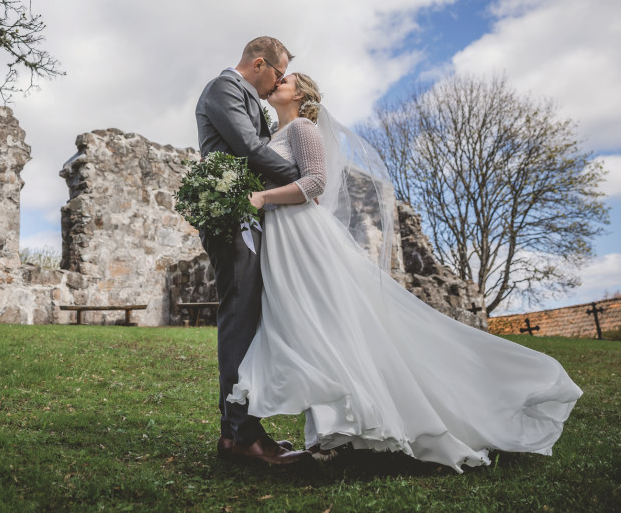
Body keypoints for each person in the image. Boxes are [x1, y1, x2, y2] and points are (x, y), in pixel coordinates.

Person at [227, 72, 583, 472]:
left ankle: (352, 427)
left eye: (286, 80)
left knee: (324, 323)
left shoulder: (303, 128)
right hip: (282, 236)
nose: (277, 82)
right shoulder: (275, 133)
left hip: (302, 235)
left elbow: (315, 183)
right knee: (304, 327)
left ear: (302, 95)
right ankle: (340, 428)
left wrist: (262, 197)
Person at [195, 36, 311, 465]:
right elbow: (249, 148)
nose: (278, 83)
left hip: (246, 215)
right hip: (232, 217)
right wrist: (301, 177)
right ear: (259, 64)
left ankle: (233, 434)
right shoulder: (224, 88)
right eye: (278, 74)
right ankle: (244, 435)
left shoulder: (246, 97)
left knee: (245, 316)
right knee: (240, 316)